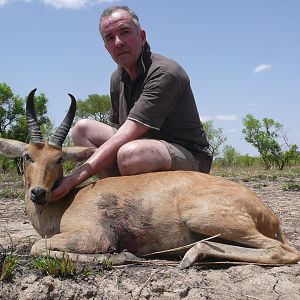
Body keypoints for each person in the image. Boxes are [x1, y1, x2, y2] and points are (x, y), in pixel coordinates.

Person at [51, 5, 212, 202]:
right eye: (110, 38)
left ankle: (138, 206)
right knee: (82, 129)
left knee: (130, 155)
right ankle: (118, 200)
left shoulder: (165, 72)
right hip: (143, 145)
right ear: (106, 48)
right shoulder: (116, 79)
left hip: (189, 155)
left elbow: (127, 135)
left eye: (125, 32)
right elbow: (118, 131)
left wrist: (74, 179)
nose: (118, 42)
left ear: (142, 36)